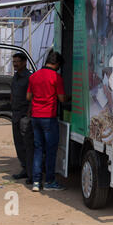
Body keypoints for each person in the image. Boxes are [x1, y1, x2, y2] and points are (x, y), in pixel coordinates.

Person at [26, 51, 69, 192]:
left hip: (35, 117)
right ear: (56, 64)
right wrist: (70, 97)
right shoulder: (56, 77)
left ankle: (36, 182)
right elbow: (62, 99)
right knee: (50, 151)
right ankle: (50, 181)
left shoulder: (34, 76)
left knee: (38, 149)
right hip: (49, 119)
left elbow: (28, 97)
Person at [11, 53, 34, 185]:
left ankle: (30, 172)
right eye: (13, 62)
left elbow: (32, 97)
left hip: (24, 116)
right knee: (18, 144)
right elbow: (12, 93)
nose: (15, 64)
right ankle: (24, 169)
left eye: (17, 62)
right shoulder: (15, 76)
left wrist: (28, 115)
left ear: (24, 62)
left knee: (27, 146)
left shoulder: (29, 78)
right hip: (15, 114)